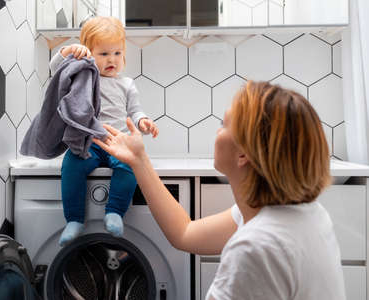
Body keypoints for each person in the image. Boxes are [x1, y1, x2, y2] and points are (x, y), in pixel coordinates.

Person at [93, 81, 346, 300]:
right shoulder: (302, 214)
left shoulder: (255, 247)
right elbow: (185, 233)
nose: (217, 131)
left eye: (224, 125)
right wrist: (139, 160)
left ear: (244, 154)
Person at [49, 16, 159, 246]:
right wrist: (69, 50)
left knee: (129, 166)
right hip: (89, 142)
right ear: (89, 54)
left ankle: (115, 212)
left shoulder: (126, 84)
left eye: (117, 53)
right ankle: (74, 219)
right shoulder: (83, 76)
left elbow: (135, 111)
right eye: (104, 54)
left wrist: (144, 122)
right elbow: (55, 69)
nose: (112, 60)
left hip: (117, 141)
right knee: (70, 166)